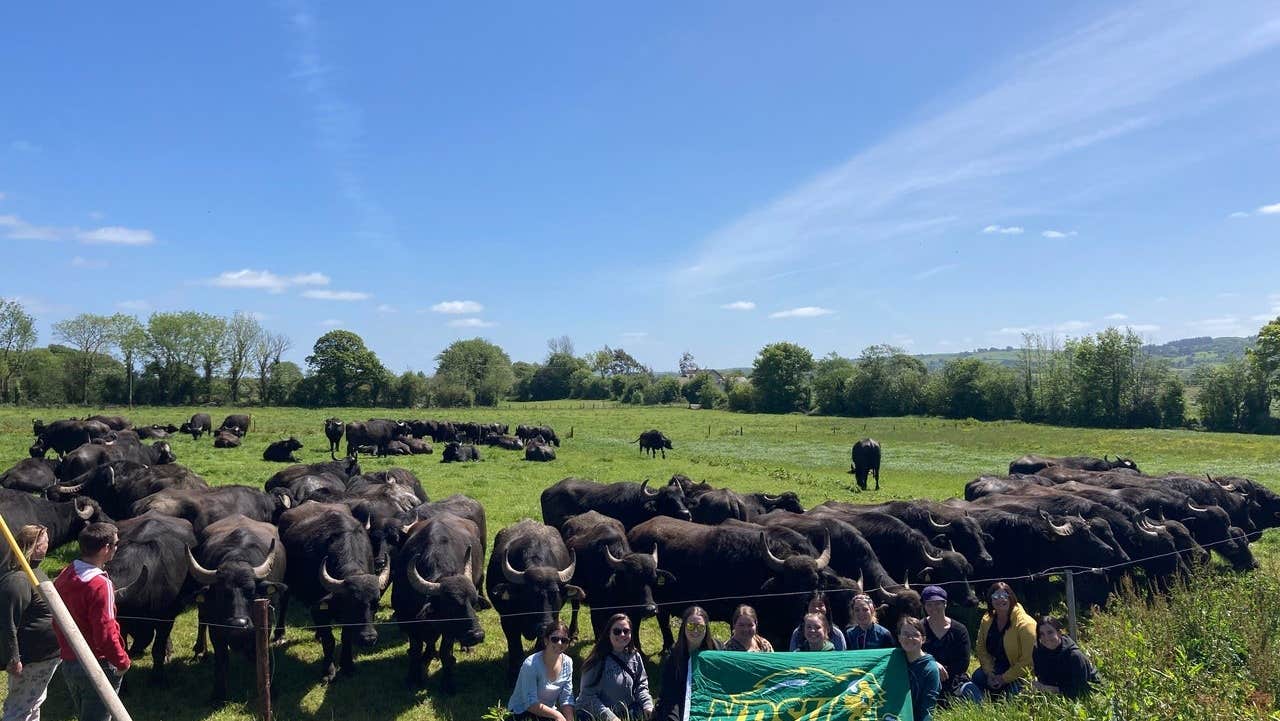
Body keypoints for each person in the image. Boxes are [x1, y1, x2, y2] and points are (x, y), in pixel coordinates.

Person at [52, 522, 130, 721]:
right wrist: (121, 661)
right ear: (106, 549)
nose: (116, 548)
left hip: (70, 661)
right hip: (98, 664)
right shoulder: (100, 584)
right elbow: (105, 631)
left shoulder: (65, 575)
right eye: (115, 544)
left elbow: (57, 619)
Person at [1, 525, 60, 721]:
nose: (48, 545)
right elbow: (6, 622)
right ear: (35, 547)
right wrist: (13, 658)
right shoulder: (18, 580)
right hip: (31, 658)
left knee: (33, 702)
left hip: (45, 656)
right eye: (45, 543)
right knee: (19, 708)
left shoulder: (35, 571)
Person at [963, 582, 1036, 703]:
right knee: (978, 677)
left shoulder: (1026, 624)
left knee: (1011, 699)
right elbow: (981, 648)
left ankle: (1001, 695)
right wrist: (989, 672)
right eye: (995, 596)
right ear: (990, 600)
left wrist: (1004, 678)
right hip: (998, 667)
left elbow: (1028, 661)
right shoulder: (987, 619)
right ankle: (985, 701)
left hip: (1022, 673)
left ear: (1011, 597)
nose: (1000, 599)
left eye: (1004, 595)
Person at [578, 614, 653, 721]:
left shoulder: (634, 655)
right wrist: (610, 717)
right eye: (617, 631)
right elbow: (587, 696)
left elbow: (641, 684)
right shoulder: (596, 660)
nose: (622, 635)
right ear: (608, 633)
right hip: (597, 715)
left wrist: (647, 705)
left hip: (626, 712)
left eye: (626, 631)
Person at [654, 606, 719, 721]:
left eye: (700, 627)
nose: (695, 631)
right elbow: (669, 694)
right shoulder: (673, 656)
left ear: (706, 628)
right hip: (680, 701)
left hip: (709, 701)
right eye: (690, 626)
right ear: (683, 627)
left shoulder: (717, 650)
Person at [509, 620, 576, 721]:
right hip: (522, 712)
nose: (559, 643)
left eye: (564, 640)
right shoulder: (531, 664)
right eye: (555, 639)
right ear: (546, 641)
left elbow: (566, 697)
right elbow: (530, 703)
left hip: (547, 712)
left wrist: (569, 719)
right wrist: (557, 715)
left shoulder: (568, 662)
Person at [919, 585, 971, 704]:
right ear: (924, 606)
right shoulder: (919, 628)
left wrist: (944, 674)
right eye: (929, 604)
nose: (933, 608)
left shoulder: (959, 630)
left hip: (952, 678)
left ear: (945, 604)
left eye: (938, 603)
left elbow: (963, 662)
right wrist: (932, 664)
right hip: (925, 676)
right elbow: (912, 653)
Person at [1031, 617, 1099, 699]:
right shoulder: (1038, 652)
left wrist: (1049, 689)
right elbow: (1040, 676)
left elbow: (1081, 691)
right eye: (1042, 634)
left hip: (1092, 694)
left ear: (1059, 633)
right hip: (1058, 695)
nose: (1046, 638)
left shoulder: (1075, 656)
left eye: (1050, 632)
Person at [898, 617, 941, 721]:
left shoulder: (930, 669)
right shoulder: (895, 659)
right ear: (899, 638)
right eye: (905, 634)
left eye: (915, 635)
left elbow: (927, 709)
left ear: (923, 639)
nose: (910, 638)